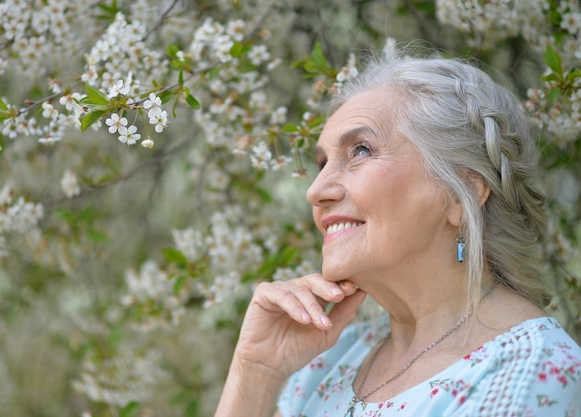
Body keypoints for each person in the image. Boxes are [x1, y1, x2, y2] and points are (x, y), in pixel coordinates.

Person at [215, 50, 581, 417]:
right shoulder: (329, 362)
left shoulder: (529, 375)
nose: (315, 190)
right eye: (322, 163)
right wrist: (255, 374)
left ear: (461, 193)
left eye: (360, 150)